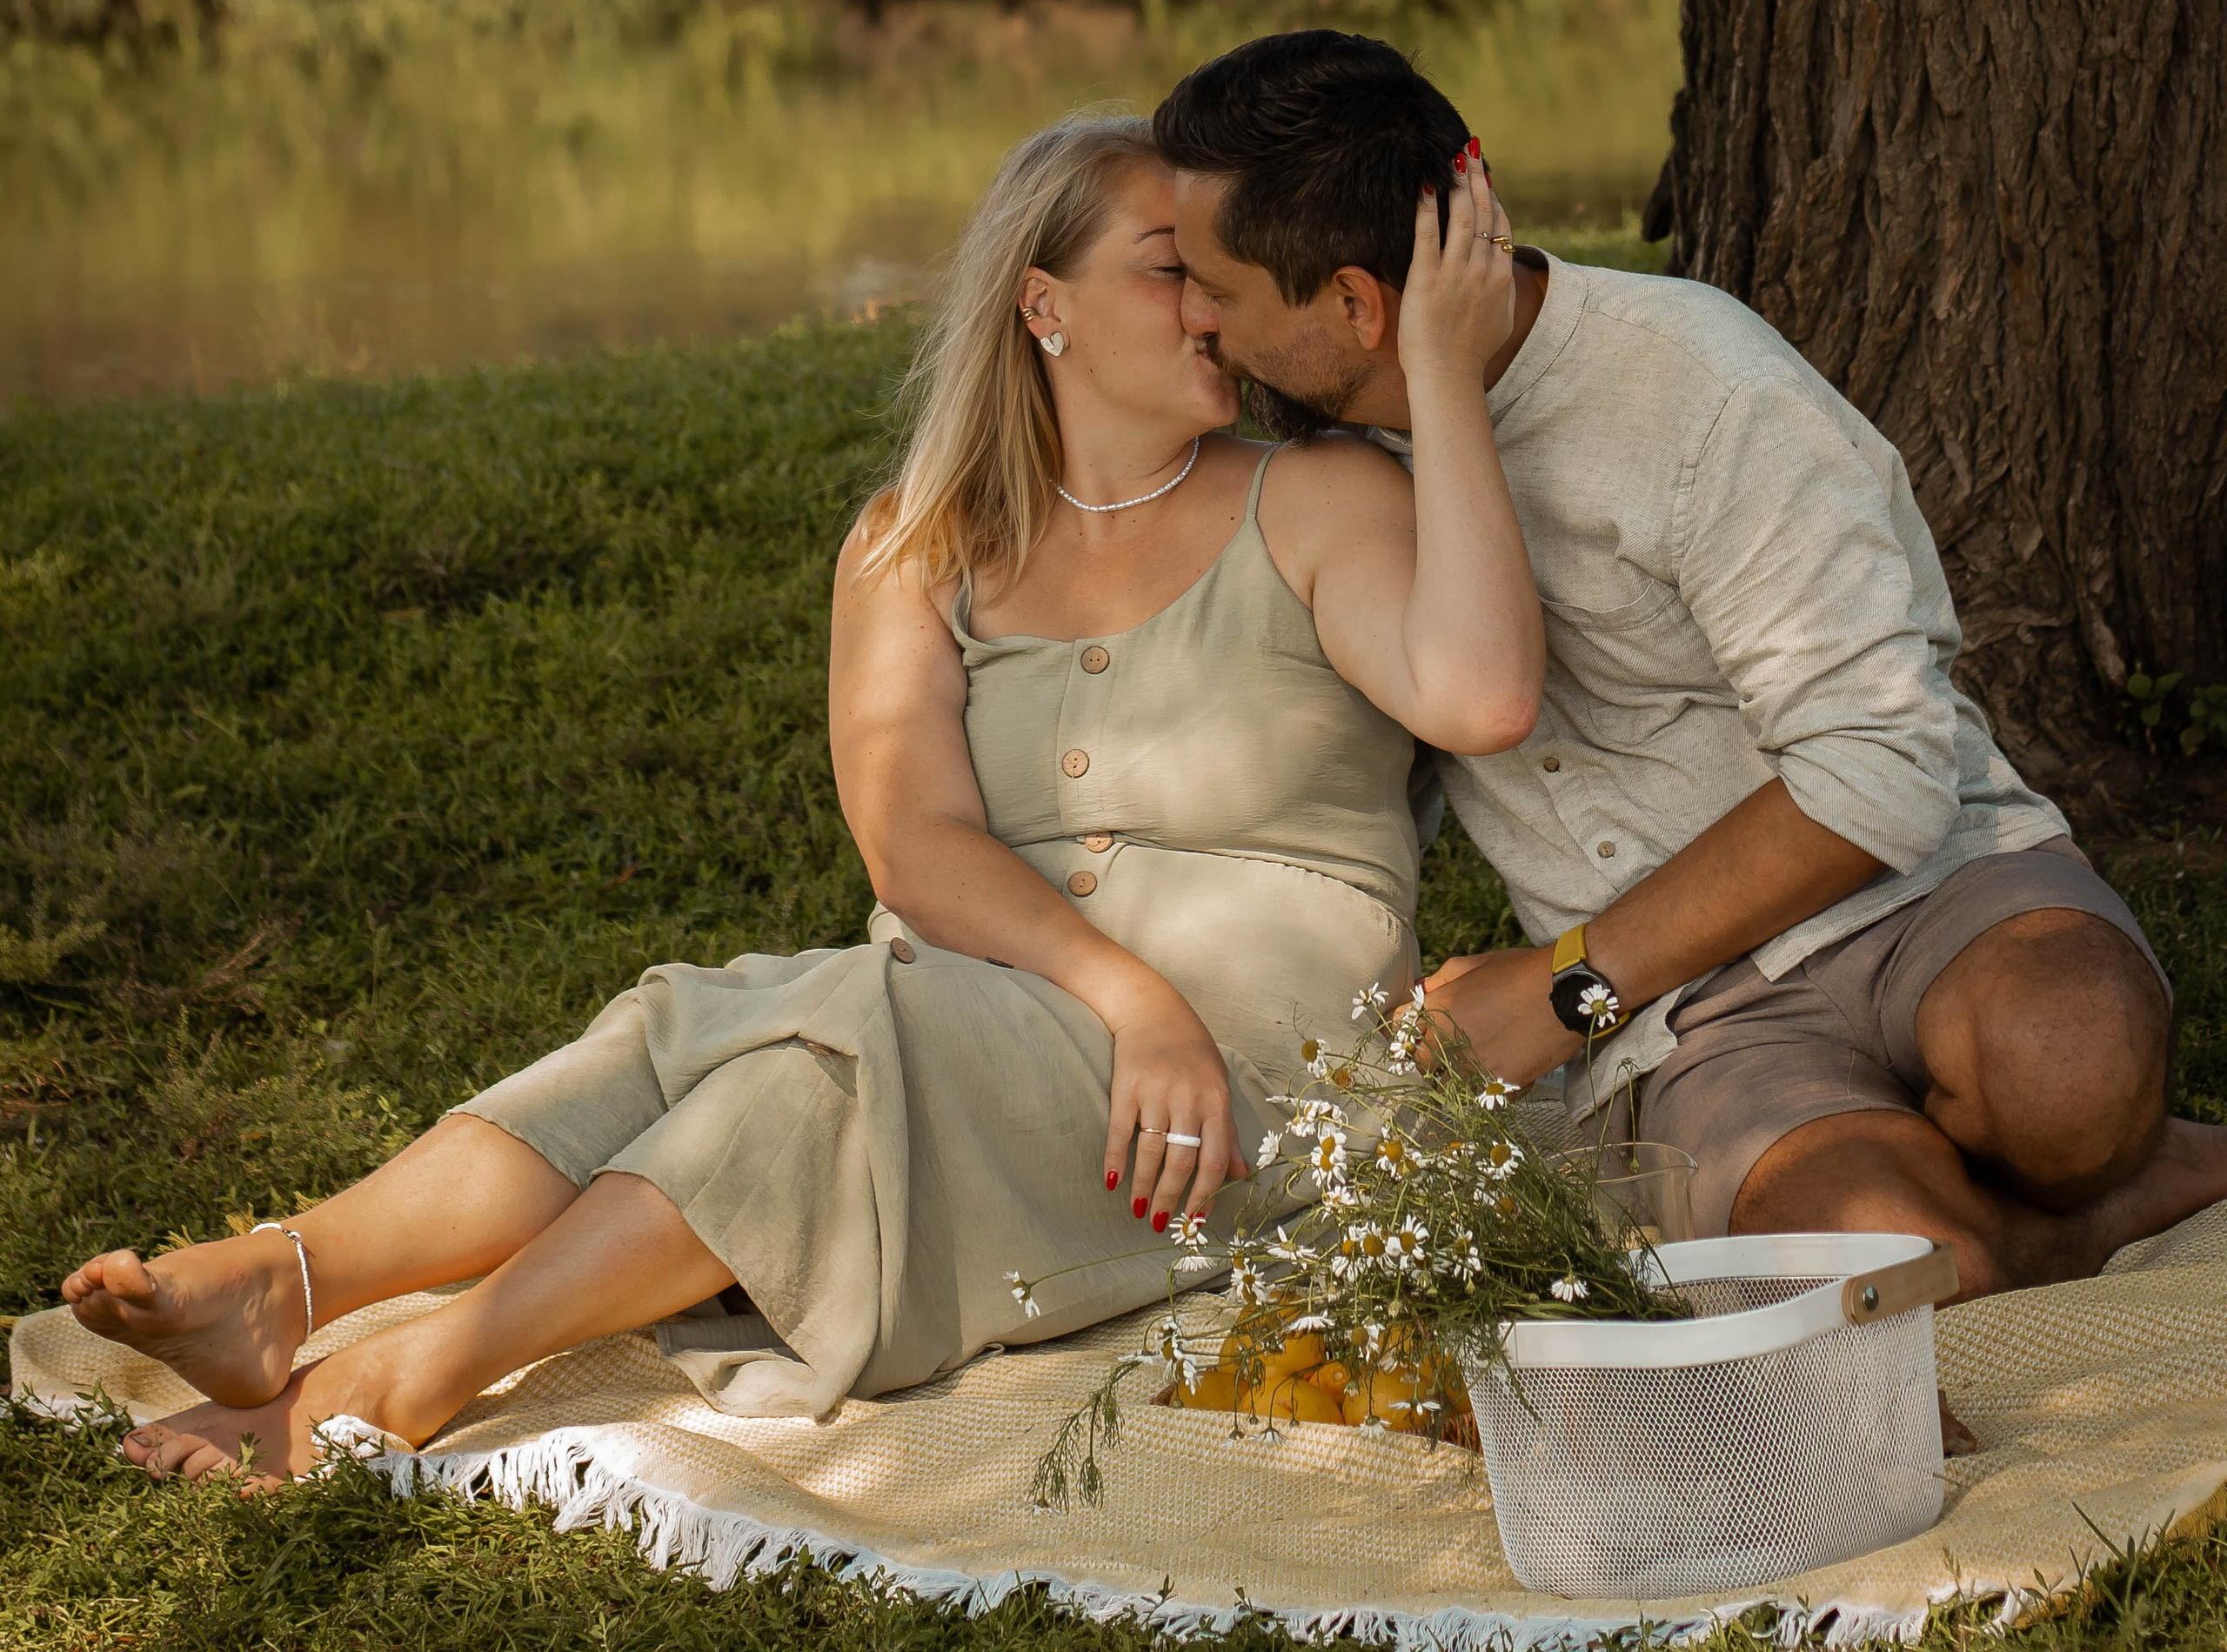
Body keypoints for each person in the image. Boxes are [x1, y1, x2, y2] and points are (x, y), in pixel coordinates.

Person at [63, 114, 1543, 1484]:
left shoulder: (1320, 497)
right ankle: (292, 1277)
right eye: (1174, 272)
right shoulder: (920, 544)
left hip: (1237, 1090)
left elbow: (1479, 697)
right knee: (692, 1023)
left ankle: (413, 1375)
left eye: (1219, 273)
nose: (1218, 304)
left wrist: (1442, 384)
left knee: (834, 1033)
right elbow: (917, 842)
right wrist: (1120, 992)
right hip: (1011, 1021)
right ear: (1046, 306)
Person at [1155, 29, 2227, 1300]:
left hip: (1927, 894)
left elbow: (1879, 771)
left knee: (2070, 1069)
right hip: (1703, 1027)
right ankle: (2076, 1208)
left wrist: (1558, 995)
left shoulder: (1700, 387)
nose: (1193, 320)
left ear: (1354, 303)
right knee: (1892, 1248)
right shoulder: (1324, 491)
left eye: (1212, 287)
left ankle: (2076, 1165)